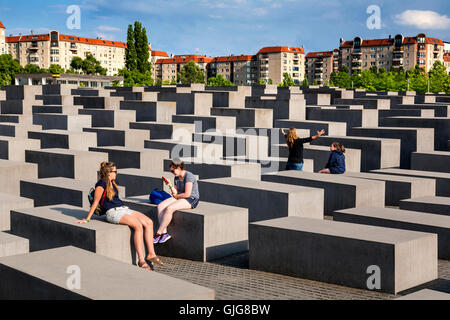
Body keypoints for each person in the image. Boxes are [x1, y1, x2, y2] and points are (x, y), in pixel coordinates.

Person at [76, 161, 163, 271]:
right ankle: (141, 260)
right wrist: (87, 219)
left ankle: (151, 254)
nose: (116, 173)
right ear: (108, 173)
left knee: (149, 222)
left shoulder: (113, 182)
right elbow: (95, 202)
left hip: (123, 209)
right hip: (113, 213)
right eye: (114, 171)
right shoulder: (101, 184)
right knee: (138, 226)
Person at [154, 159, 200, 244]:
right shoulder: (176, 177)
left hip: (191, 199)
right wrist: (170, 185)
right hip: (180, 196)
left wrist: (176, 196)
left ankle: (158, 233)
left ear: (178, 167)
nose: (172, 172)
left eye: (173, 170)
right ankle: (164, 233)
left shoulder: (189, 176)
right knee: (160, 206)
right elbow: (175, 192)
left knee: (169, 208)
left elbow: (187, 194)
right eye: (171, 171)